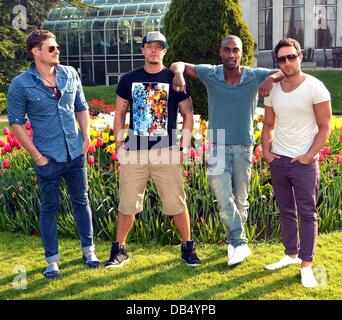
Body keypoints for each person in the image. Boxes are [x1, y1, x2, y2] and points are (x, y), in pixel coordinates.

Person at [170, 35, 283, 266]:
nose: (231, 55)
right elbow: (177, 64)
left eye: (236, 50)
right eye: (227, 50)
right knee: (223, 197)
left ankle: (234, 243)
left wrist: (271, 79)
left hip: (244, 145)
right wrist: (180, 74)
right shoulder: (211, 73)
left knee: (241, 200)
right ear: (220, 52)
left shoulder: (254, 75)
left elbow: (284, 69)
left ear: (242, 53)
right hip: (217, 144)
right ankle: (240, 243)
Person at [7, 30, 100, 279]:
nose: (57, 51)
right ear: (35, 52)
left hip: (75, 154)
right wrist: (37, 156)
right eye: (51, 48)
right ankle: (52, 261)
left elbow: (81, 107)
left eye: (57, 47)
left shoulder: (70, 74)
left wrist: (87, 136)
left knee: (82, 202)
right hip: (47, 157)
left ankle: (89, 251)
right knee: (49, 208)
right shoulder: (20, 84)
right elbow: (15, 123)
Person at [105, 31, 201, 268]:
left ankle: (188, 248)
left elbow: (187, 114)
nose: (154, 51)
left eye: (159, 47)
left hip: (166, 151)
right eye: (150, 46)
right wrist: (119, 146)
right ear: (143, 50)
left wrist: (184, 146)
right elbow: (119, 113)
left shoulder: (174, 78)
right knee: (127, 204)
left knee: (177, 203)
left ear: (165, 51)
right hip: (134, 152)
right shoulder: (128, 79)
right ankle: (119, 250)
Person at [262, 38, 331, 288]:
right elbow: (268, 124)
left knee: (307, 213)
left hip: (304, 163)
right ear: (277, 61)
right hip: (279, 160)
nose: (288, 62)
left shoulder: (315, 87)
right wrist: (267, 151)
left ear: (300, 56)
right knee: (286, 211)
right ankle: (290, 254)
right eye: (282, 59)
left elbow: (325, 127)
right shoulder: (274, 90)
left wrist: (310, 155)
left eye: (292, 56)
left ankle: (306, 265)